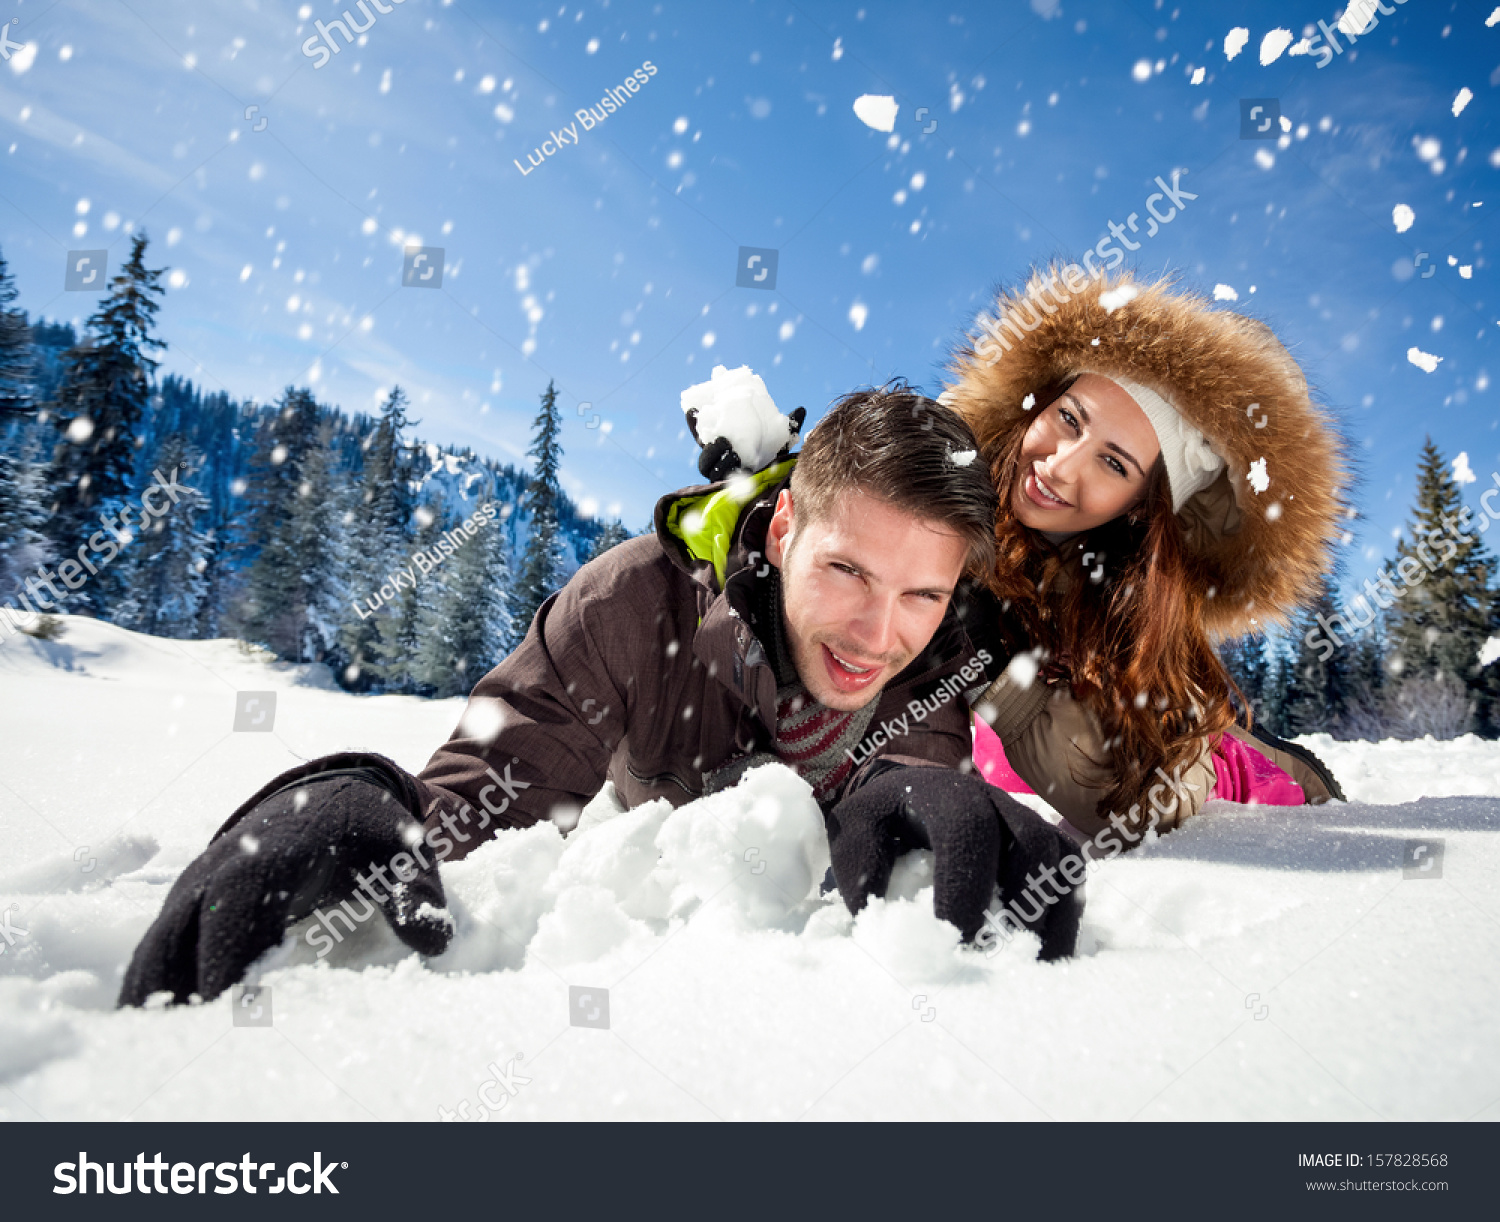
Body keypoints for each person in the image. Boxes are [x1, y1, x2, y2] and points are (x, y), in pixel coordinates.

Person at [117, 383, 1085, 1008]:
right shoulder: (632, 603)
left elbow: (915, 783)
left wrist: (933, 801)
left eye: (922, 592)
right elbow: (490, 788)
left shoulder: (937, 656)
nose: (881, 634)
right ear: (784, 527)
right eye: (847, 571)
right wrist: (358, 793)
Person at [949, 264, 1348, 849]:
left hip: (1218, 766)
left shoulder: (1124, 606)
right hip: (989, 754)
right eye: (1068, 418)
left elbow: (1145, 804)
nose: (1059, 466)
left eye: (1114, 463)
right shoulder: (950, 492)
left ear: (1141, 506)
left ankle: (1261, 758)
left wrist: (999, 677)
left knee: (1199, 750)